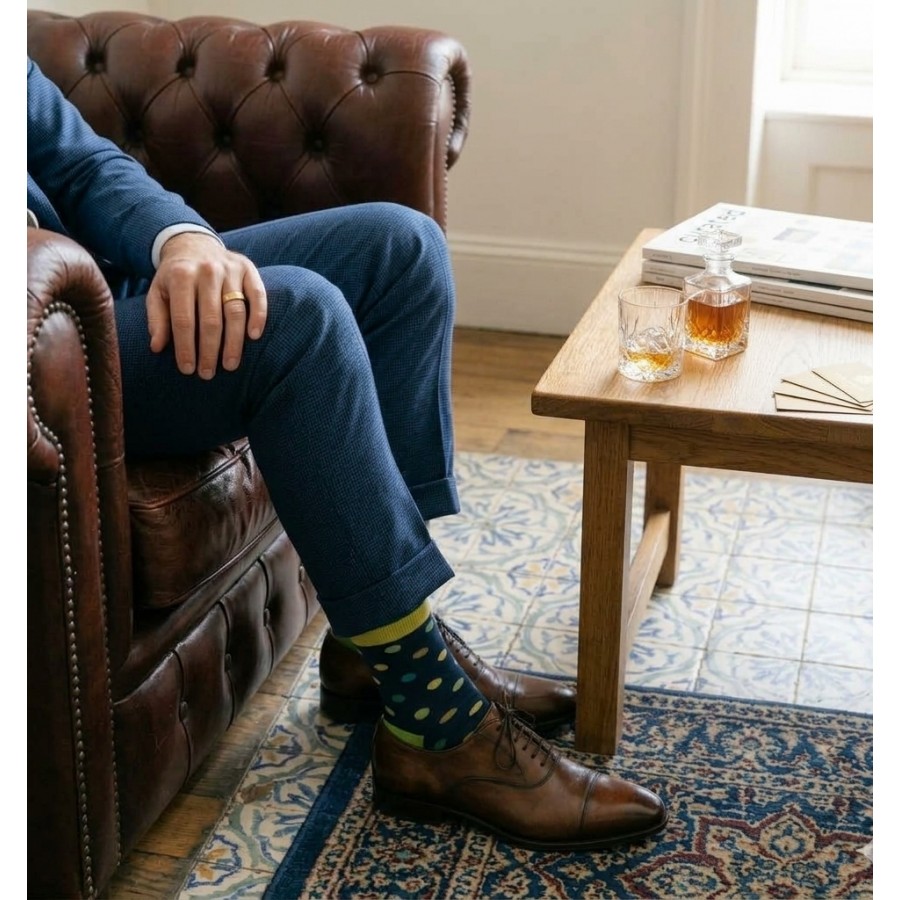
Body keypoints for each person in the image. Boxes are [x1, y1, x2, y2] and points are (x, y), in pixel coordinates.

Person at [27, 56, 667, 850]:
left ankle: (374, 646)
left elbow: (80, 163)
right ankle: (436, 726)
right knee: (299, 319)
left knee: (401, 248)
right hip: (35, 346)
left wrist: (183, 241)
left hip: (90, 286)